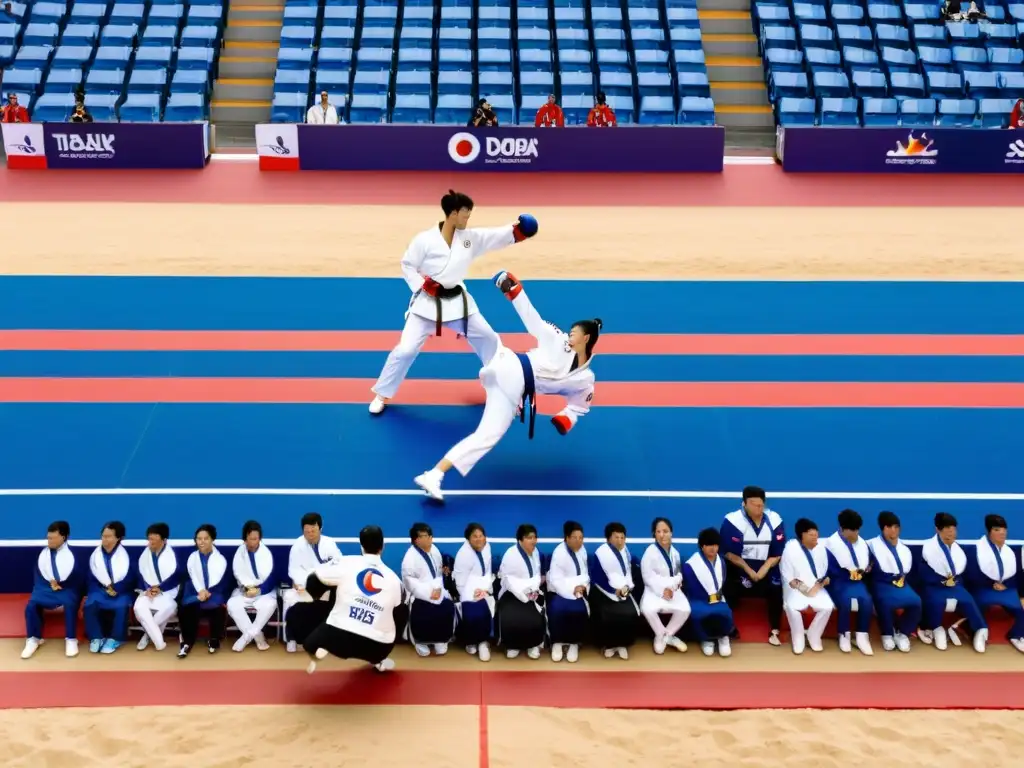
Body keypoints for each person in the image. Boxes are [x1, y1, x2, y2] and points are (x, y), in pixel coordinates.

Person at [414, 271, 600, 501]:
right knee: (487, 434)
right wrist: (514, 291)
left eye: (574, 334)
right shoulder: (558, 340)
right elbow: (534, 321)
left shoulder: (585, 379)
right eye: (570, 333)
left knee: (489, 342)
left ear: (587, 339)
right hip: (511, 369)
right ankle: (433, 475)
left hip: (508, 377)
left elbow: (579, 404)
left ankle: (455, 307)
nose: (569, 336)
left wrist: (566, 417)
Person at [368, 191, 538, 415]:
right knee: (405, 350)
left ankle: (505, 391)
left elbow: (495, 236)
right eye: (466, 215)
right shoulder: (424, 240)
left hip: (458, 303)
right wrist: (421, 285)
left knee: (490, 339)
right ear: (453, 214)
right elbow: (407, 265)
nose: (468, 220)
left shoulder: (469, 238)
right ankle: (383, 394)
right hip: (426, 305)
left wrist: (518, 230)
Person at [303, 525, 404, 674]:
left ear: (361, 546)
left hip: (339, 639)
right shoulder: (395, 581)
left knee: (309, 644)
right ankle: (379, 661)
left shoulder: (346, 562)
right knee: (397, 611)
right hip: (378, 647)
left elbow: (312, 580)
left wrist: (318, 600)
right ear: (382, 547)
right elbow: (400, 615)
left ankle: (322, 644)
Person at [720, 485, 785, 645]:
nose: (759, 508)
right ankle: (727, 629)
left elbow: (777, 554)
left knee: (776, 590)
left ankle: (774, 630)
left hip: (766, 567)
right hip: (740, 567)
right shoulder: (731, 521)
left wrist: (764, 569)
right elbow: (728, 553)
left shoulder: (775, 520)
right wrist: (748, 570)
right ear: (744, 503)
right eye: (754, 504)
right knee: (728, 590)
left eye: (761, 504)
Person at [919, 512, 987, 653]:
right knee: (936, 601)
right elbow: (924, 574)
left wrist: (953, 582)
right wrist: (942, 582)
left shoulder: (958, 549)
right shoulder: (928, 548)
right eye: (947, 528)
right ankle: (936, 628)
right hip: (934, 586)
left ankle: (979, 630)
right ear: (938, 530)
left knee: (968, 600)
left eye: (953, 528)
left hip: (954, 586)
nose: (951, 532)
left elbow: (960, 573)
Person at [282, 512, 342, 652]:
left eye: (313, 530)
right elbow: (294, 570)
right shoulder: (297, 546)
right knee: (289, 598)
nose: (310, 534)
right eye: (306, 531)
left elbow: (338, 566)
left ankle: (328, 638)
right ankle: (290, 639)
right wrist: (301, 584)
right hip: (304, 586)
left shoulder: (329, 543)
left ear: (320, 528)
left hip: (327, 586)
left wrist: (324, 583)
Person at [22, 521, 83, 660]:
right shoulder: (42, 555)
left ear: (64, 537)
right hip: (45, 588)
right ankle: (33, 638)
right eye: (48, 537)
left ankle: (71, 639)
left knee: (69, 602)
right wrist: (48, 586)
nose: (49, 541)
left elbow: (78, 581)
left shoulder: (74, 556)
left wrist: (63, 585)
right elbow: (38, 579)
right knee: (32, 604)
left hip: (67, 589)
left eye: (53, 538)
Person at [966, 514, 1024, 653]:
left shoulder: (1009, 552)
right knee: (978, 606)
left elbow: (1013, 576)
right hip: (984, 588)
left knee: (1020, 610)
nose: (1002, 533)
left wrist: (1006, 586)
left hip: (1004, 589)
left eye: (1004, 529)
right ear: (989, 532)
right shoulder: (976, 550)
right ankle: (979, 631)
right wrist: (991, 583)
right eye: (997, 530)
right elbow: (971, 575)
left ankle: (1016, 635)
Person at [866, 511, 922, 652]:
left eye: (896, 527)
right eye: (889, 527)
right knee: (885, 602)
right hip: (881, 583)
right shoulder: (871, 545)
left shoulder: (904, 548)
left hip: (901, 583)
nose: (893, 530)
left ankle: (902, 633)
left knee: (916, 602)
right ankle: (887, 634)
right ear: (882, 528)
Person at [401, 521, 457, 656]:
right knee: (424, 612)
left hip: (436, 590)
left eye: (430, 535)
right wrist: (428, 593)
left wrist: (439, 588)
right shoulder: (409, 559)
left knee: (447, 607)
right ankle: (421, 641)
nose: (430, 537)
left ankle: (440, 639)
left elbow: (437, 573)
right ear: (416, 539)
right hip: (419, 595)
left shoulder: (434, 550)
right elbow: (409, 583)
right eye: (426, 535)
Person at [823, 509, 874, 656]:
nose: (856, 533)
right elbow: (829, 568)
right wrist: (847, 573)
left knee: (867, 600)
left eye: (858, 529)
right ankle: (843, 634)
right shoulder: (831, 544)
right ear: (842, 529)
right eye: (853, 530)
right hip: (839, 581)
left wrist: (867, 569)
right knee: (845, 601)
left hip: (857, 582)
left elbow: (870, 561)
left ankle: (862, 635)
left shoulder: (862, 542)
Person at [779, 518, 833, 655]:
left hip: (816, 588)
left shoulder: (821, 548)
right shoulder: (790, 550)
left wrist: (821, 584)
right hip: (796, 589)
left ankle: (814, 635)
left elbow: (826, 573)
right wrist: (807, 591)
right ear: (802, 535)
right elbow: (789, 578)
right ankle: (797, 636)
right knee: (792, 607)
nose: (816, 537)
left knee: (827, 607)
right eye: (811, 535)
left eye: (816, 534)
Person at [83, 521, 136, 655]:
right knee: (90, 603)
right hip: (99, 590)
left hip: (121, 591)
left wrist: (117, 588)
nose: (104, 539)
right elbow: (91, 578)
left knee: (121, 606)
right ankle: (96, 637)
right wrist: (100, 589)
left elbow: (131, 578)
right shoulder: (95, 556)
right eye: (103, 536)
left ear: (118, 538)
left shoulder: (127, 556)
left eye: (108, 536)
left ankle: (116, 639)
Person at [178, 523, 231, 658]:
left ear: (212, 540)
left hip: (215, 592)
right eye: (198, 538)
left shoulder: (221, 559)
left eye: (205, 538)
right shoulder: (192, 557)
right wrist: (200, 592)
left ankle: (214, 640)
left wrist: (208, 592)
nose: (202, 542)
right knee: (187, 607)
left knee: (217, 607)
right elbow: (192, 577)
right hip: (196, 593)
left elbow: (222, 582)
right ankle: (187, 642)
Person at [227, 520, 279, 652]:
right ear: (244, 539)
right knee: (232, 605)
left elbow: (272, 577)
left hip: (263, 592)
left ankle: (245, 638)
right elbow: (237, 573)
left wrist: (259, 590)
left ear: (259, 538)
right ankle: (259, 638)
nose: (252, 543)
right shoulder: (239, 553)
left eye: (255, 539)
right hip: (245, 591)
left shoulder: (267, 553)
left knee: (270, 605)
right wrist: (246, 589)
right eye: (249, 539)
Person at [590, 522, 640, 659]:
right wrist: (613, 591)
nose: (619, 541)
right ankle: (609, 645)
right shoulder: (601, 553)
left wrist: (627, 587)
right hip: (605, 590)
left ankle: (623, 644)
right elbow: (597, 578)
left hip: (623, 590)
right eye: (616, 537)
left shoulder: (626, 551)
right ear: (608, 538)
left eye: (622, 537)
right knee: (608, 614)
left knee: (630, 613)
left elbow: (628, 572)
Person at [640, 517, 690, 655]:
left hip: (672, 589)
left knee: (685, 609)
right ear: (654, 534)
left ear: (671, 533)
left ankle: (665, 636)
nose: (662, 535)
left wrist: (673, 587)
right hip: (654, 591)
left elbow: (679, 574)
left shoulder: (675, 553)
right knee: (647, 609)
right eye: (658, 531)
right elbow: (647, 577)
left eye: (666, 531)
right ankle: (662, 636)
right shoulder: (649, 552)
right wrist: (662, 591)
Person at [496, 523, 546, 659]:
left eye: (535, 537)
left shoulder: (536, 553)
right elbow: (507, 580)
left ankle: (533, 644)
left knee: (534, 615)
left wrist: (532, 589)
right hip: (512, 592)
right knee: (513, 615)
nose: (533, 540)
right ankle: (513, 645)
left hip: (532, 590)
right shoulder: (510, 555)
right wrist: (522, 593)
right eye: (529, 538)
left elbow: (537, 575)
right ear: (520, 539)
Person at [682, 528, 734, 657]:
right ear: (702, 546)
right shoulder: (691, 565)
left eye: (716, 545)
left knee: (725, 611)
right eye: (709, 545)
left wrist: (717, 597)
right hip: (699, 599)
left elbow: (722, 582)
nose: (713, 548)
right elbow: (692, 588)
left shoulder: (721, 561)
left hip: (717, 597)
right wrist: (711, 598)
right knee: (700, 612)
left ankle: (723, 637)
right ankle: (706, 639)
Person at [546, 520, 590, 663]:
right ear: (567, 538)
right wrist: (572, 589)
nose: (579, 541)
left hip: (578, 590)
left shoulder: (582, 551)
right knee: (557, 610)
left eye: (581, 538)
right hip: (560, 591)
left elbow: (585, 573)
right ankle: (557, 643)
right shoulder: (559, 553)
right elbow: (556, 580)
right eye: (575, 538)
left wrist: (582, 585)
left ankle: (574, 643)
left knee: (580, 611)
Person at [452, 522, 495, 662]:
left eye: (481, 535)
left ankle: (483, 642)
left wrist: (486, 589)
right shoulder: (463, 556)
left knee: (486, 609)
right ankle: (471, 641)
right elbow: (460, 583)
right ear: (468, 539)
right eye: (474, 536)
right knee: (473, 612)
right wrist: (472, 595)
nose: (479, 539)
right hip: (467, 592)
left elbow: (487, 570)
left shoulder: (487, 547)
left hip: (483, 588)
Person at [134, 522, 180, 652]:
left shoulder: (174, 554)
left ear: (164, 540)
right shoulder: (144, 555)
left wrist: (160, 587)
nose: (151, 543)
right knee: (139, 607)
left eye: (154, 539)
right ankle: (159, 642)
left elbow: (177, 576)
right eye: (149, 539)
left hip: (168, 592)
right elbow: (140, 574)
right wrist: (147, 588)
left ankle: (148, 635)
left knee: (168, 608)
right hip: (148, 591)